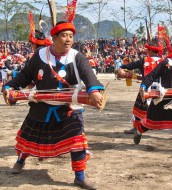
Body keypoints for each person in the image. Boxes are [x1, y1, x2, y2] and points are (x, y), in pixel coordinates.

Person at [2, 20, 104, 189]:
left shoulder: (77, 57)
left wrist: (94, 90)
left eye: (71, 36)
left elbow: (88, 75)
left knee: (77, 138)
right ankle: (20, 161)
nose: (68, 40)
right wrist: (9, 87)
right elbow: (25, 75)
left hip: (68, 107)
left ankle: (80, 176)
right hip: (41, 106)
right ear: (54, 38)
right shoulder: (40, 55)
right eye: (64, 36)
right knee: (29, 136)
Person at [119, 42, 163, 134]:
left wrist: (120, 67)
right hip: (161, 88)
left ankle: (136, 128)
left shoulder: (144, 60)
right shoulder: (164, 61)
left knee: (138, 109)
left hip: (145, 87)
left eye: (148, 50)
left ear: (150, 51)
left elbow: (130, 66)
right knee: (167, 108)